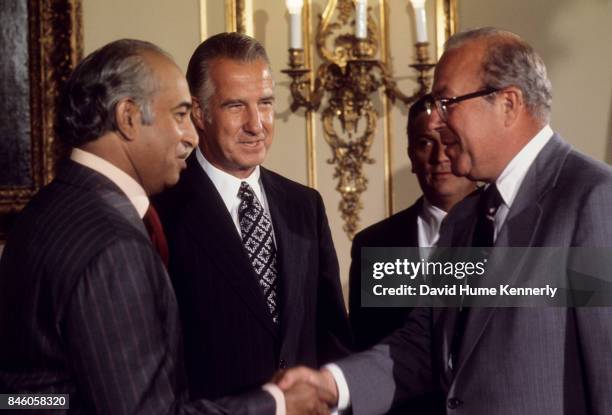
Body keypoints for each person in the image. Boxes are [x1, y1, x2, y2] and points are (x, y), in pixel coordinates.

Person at [276, 27, 612, 414]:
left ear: (508, 103)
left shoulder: (592, 200)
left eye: (447, 102)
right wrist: (332, 384)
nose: (436, 121)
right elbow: (423, 347)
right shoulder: (465, 221)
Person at [0, 39, 332, 415]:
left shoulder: (45, 209)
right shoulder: (116, 242)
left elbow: (25, 394)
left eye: (266, 103)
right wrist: (276, 404)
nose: (189, 136)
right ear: (128, 118)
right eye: (179, 115)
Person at [154, 32, 351, 404]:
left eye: (264, 103)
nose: (256, 123)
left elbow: (332, 335)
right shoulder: (163, 210)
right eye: (235, 106)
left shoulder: (305, 205)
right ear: (199, 113)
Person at [348, 95, 475, 351]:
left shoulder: (510, 226)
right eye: (426, 142)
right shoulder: (373, 245)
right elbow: (365, 348)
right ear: (411, 156)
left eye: (450, 140)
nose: (440, 156)